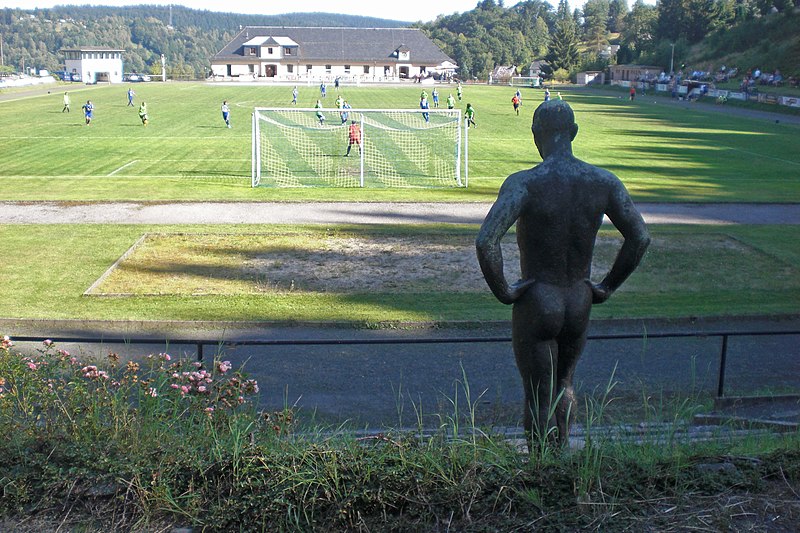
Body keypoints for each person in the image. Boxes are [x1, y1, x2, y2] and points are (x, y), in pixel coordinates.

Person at [476, 100, 650, 449]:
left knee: (538, 395)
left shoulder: (526, 183)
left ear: (536, 135)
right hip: (579, 298)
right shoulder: (602, 182)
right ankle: (563, 460)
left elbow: (486, 241)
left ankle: (542, 469)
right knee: (565, 384)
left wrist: (504, 291)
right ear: (573, 133)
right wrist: (606, 287)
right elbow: (639, 237)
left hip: (539, 298)